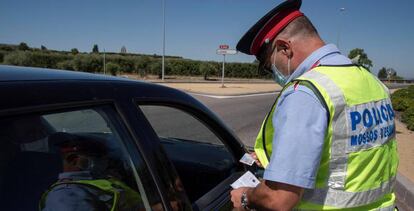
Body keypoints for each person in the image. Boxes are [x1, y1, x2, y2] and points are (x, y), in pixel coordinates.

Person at [230, 0, 398, 210]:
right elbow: (348, 152)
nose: (273, 73)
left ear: (284, 48)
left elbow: (279, 199)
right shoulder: (372, 82)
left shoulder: (306, 93)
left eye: (267, 66)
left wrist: (245, 197)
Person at [40, 132, 143, 211]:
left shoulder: (90, 183)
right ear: (74, 160)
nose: (104, 163)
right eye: (98, 158)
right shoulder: (67, 196)